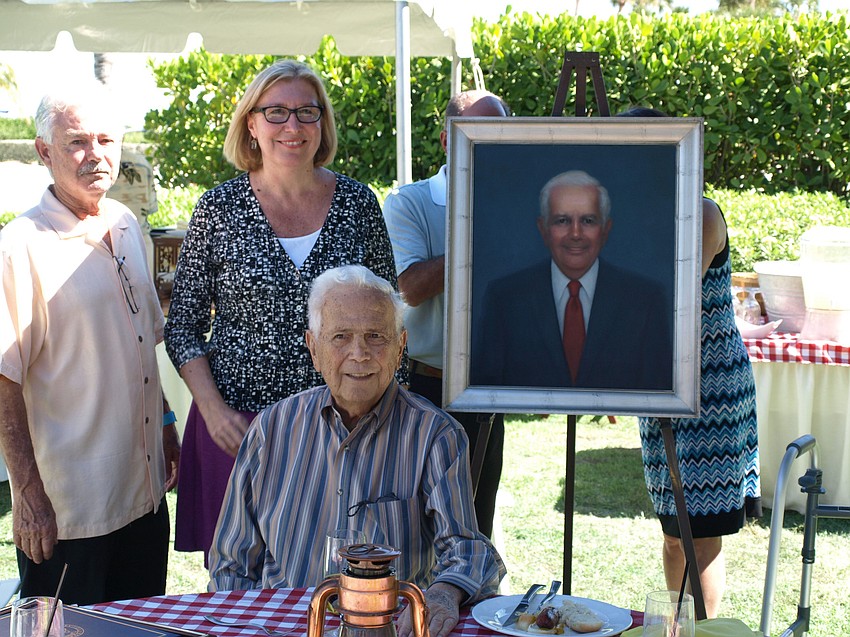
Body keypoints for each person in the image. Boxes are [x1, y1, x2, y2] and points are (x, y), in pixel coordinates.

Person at [163, 59, 404, 562]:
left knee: (336, 574)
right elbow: (183, 326)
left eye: (306, 112)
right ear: (251, 124)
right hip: (237, 428)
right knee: (238, 580)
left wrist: (384, 416)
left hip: (343, 428)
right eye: (276, 112)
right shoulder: (218, 209)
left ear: (322, 124)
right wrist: (213, 412)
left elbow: (390, 317)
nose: (292, 126)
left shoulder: (358, 205)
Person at [209, 265, 505, 637]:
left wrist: (443, 593)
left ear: (400, 348)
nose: (359, 354)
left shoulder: (436, 435)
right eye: (341, 337)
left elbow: (466, 549)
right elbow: (231, 562)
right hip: (284, 627)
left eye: (375, 336)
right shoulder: (271, 429)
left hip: (386, 628)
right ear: (313, 348)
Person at [0, 84, 180, 604]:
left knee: (140, 627)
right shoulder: (20, 245)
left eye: (105, 139)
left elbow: (141, 344)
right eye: (77, 141)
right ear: (44, 151)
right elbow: (4, 378)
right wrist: (26, 495)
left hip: (144, 498)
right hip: (70, 514)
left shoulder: (124, 223)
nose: (95, 154)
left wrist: (166, 423)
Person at [619, 106, 761, 618]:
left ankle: (699, 629)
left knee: (699, 533)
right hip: (659, 383)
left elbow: (673, 297)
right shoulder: (628, 219)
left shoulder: (701, 213)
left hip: (709, 389)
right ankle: (674, 626)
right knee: (672, 530)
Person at [383, 90, 509, 538]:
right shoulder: (409, 203)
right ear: (445, 141)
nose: (489, 145)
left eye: (500, 135)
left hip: (490, 390)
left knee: (476, 525)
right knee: (419, 529)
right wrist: (484, 234)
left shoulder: (522, 204)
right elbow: (410, 288)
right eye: (477, 133)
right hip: (426, 388)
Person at [472, 169, 673, 390]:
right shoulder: (505, 299)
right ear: (543, 229)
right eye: (562, 220)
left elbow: (658, 390)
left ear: (605, 230)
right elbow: (486, 389)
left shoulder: (645, 300)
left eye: (588, 220)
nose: (576, 234)